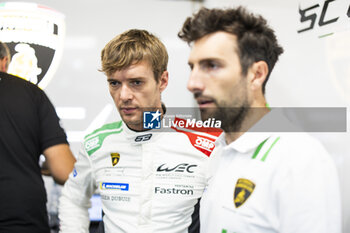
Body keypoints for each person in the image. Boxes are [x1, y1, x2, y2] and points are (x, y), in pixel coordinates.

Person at [178, 7, 341, 233]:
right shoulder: (217, 151)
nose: (192, 83)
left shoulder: (300, 160)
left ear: (256, 74)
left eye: (211, 65)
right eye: (192, 67)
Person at [58, 29, 219, 233]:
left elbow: (228, 210)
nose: (124, 95)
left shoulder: (203, 143)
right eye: (114, 83)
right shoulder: (96, 144)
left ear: (162, 81)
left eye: (136, 82)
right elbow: (73, 199)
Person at [0, 41, 76, 233]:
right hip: (21, 221)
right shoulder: (31, 94)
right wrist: (46, 165)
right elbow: (64, 171)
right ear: (4, 61)